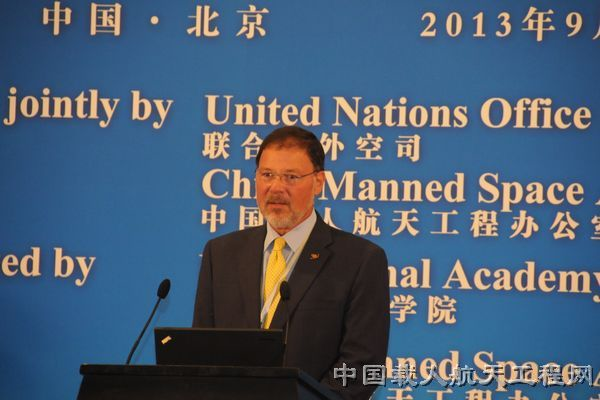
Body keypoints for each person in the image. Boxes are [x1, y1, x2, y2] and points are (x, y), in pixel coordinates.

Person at [193, 126, 389, 400]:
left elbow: (364, 366)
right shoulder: (221, 253)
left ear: (318, 182)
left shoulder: (360, 260)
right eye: (267, 175)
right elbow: (200, 353)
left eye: (291, 177)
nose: (276, 188)